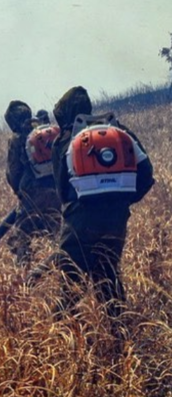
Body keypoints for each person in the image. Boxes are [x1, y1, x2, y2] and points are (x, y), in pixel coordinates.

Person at [45, 86, 154, 341]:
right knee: (108, 277)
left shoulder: (65, 140)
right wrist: (122, 201)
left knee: (70, 286)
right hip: (116, 222)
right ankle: (122, 340)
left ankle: (60, 347)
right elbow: (147, 176)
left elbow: (61, 190)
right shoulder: (119, 131)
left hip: (78, 222)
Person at [4, 100, 61, 265]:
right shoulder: (45, 131)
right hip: (57, 192)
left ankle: (26, 277)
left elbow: (13, 173)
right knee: (58, 234)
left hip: (31, 195)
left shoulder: (17, 138)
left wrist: (21, 193)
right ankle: (61, 270)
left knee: (22, 237)